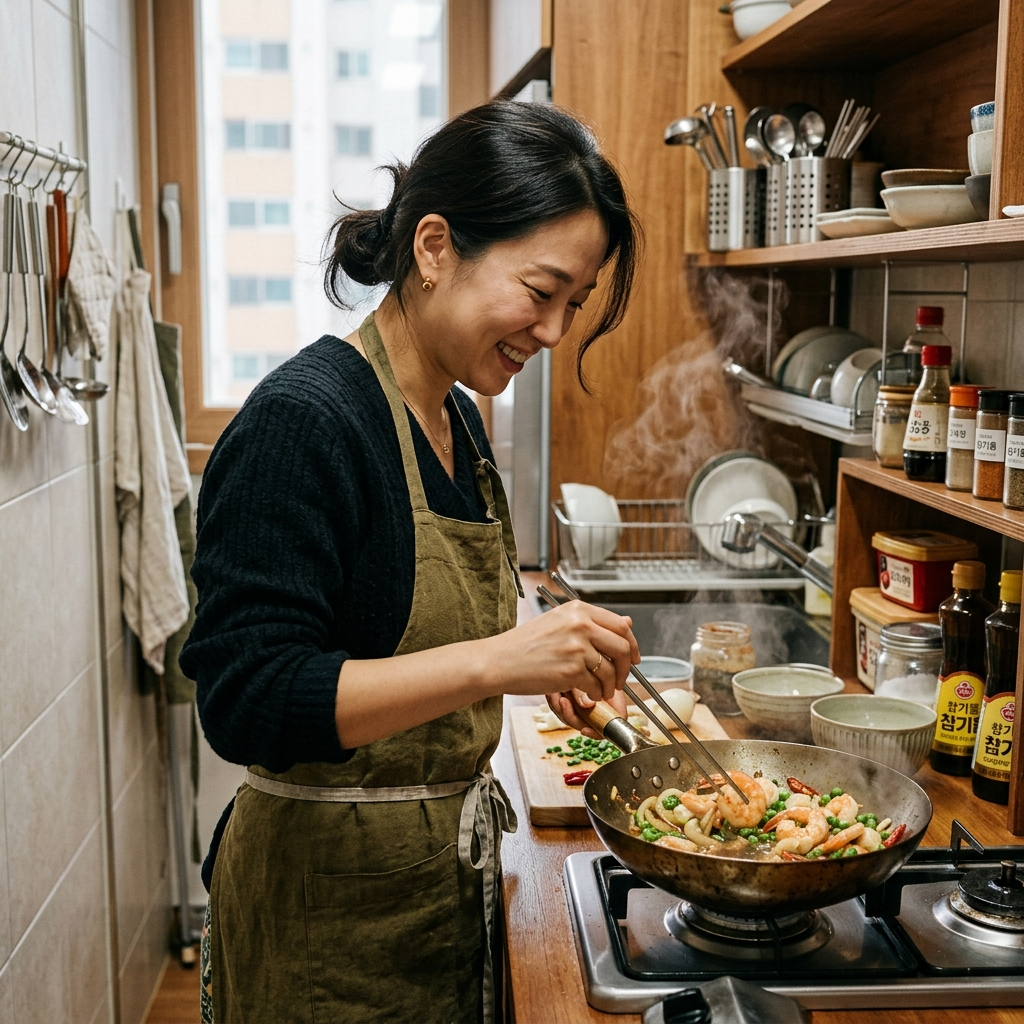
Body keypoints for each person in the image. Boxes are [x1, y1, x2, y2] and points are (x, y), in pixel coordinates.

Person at [180, 99, 642, 1024]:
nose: (553, 333)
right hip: (325, 915)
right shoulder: (303, 422)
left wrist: (544, 657)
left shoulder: (457, 417)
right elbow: (247, 699)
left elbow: (398, 625)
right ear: (435, 248)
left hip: (430, 894)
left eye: (575, 306)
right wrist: (499, 661)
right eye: (541, 291)